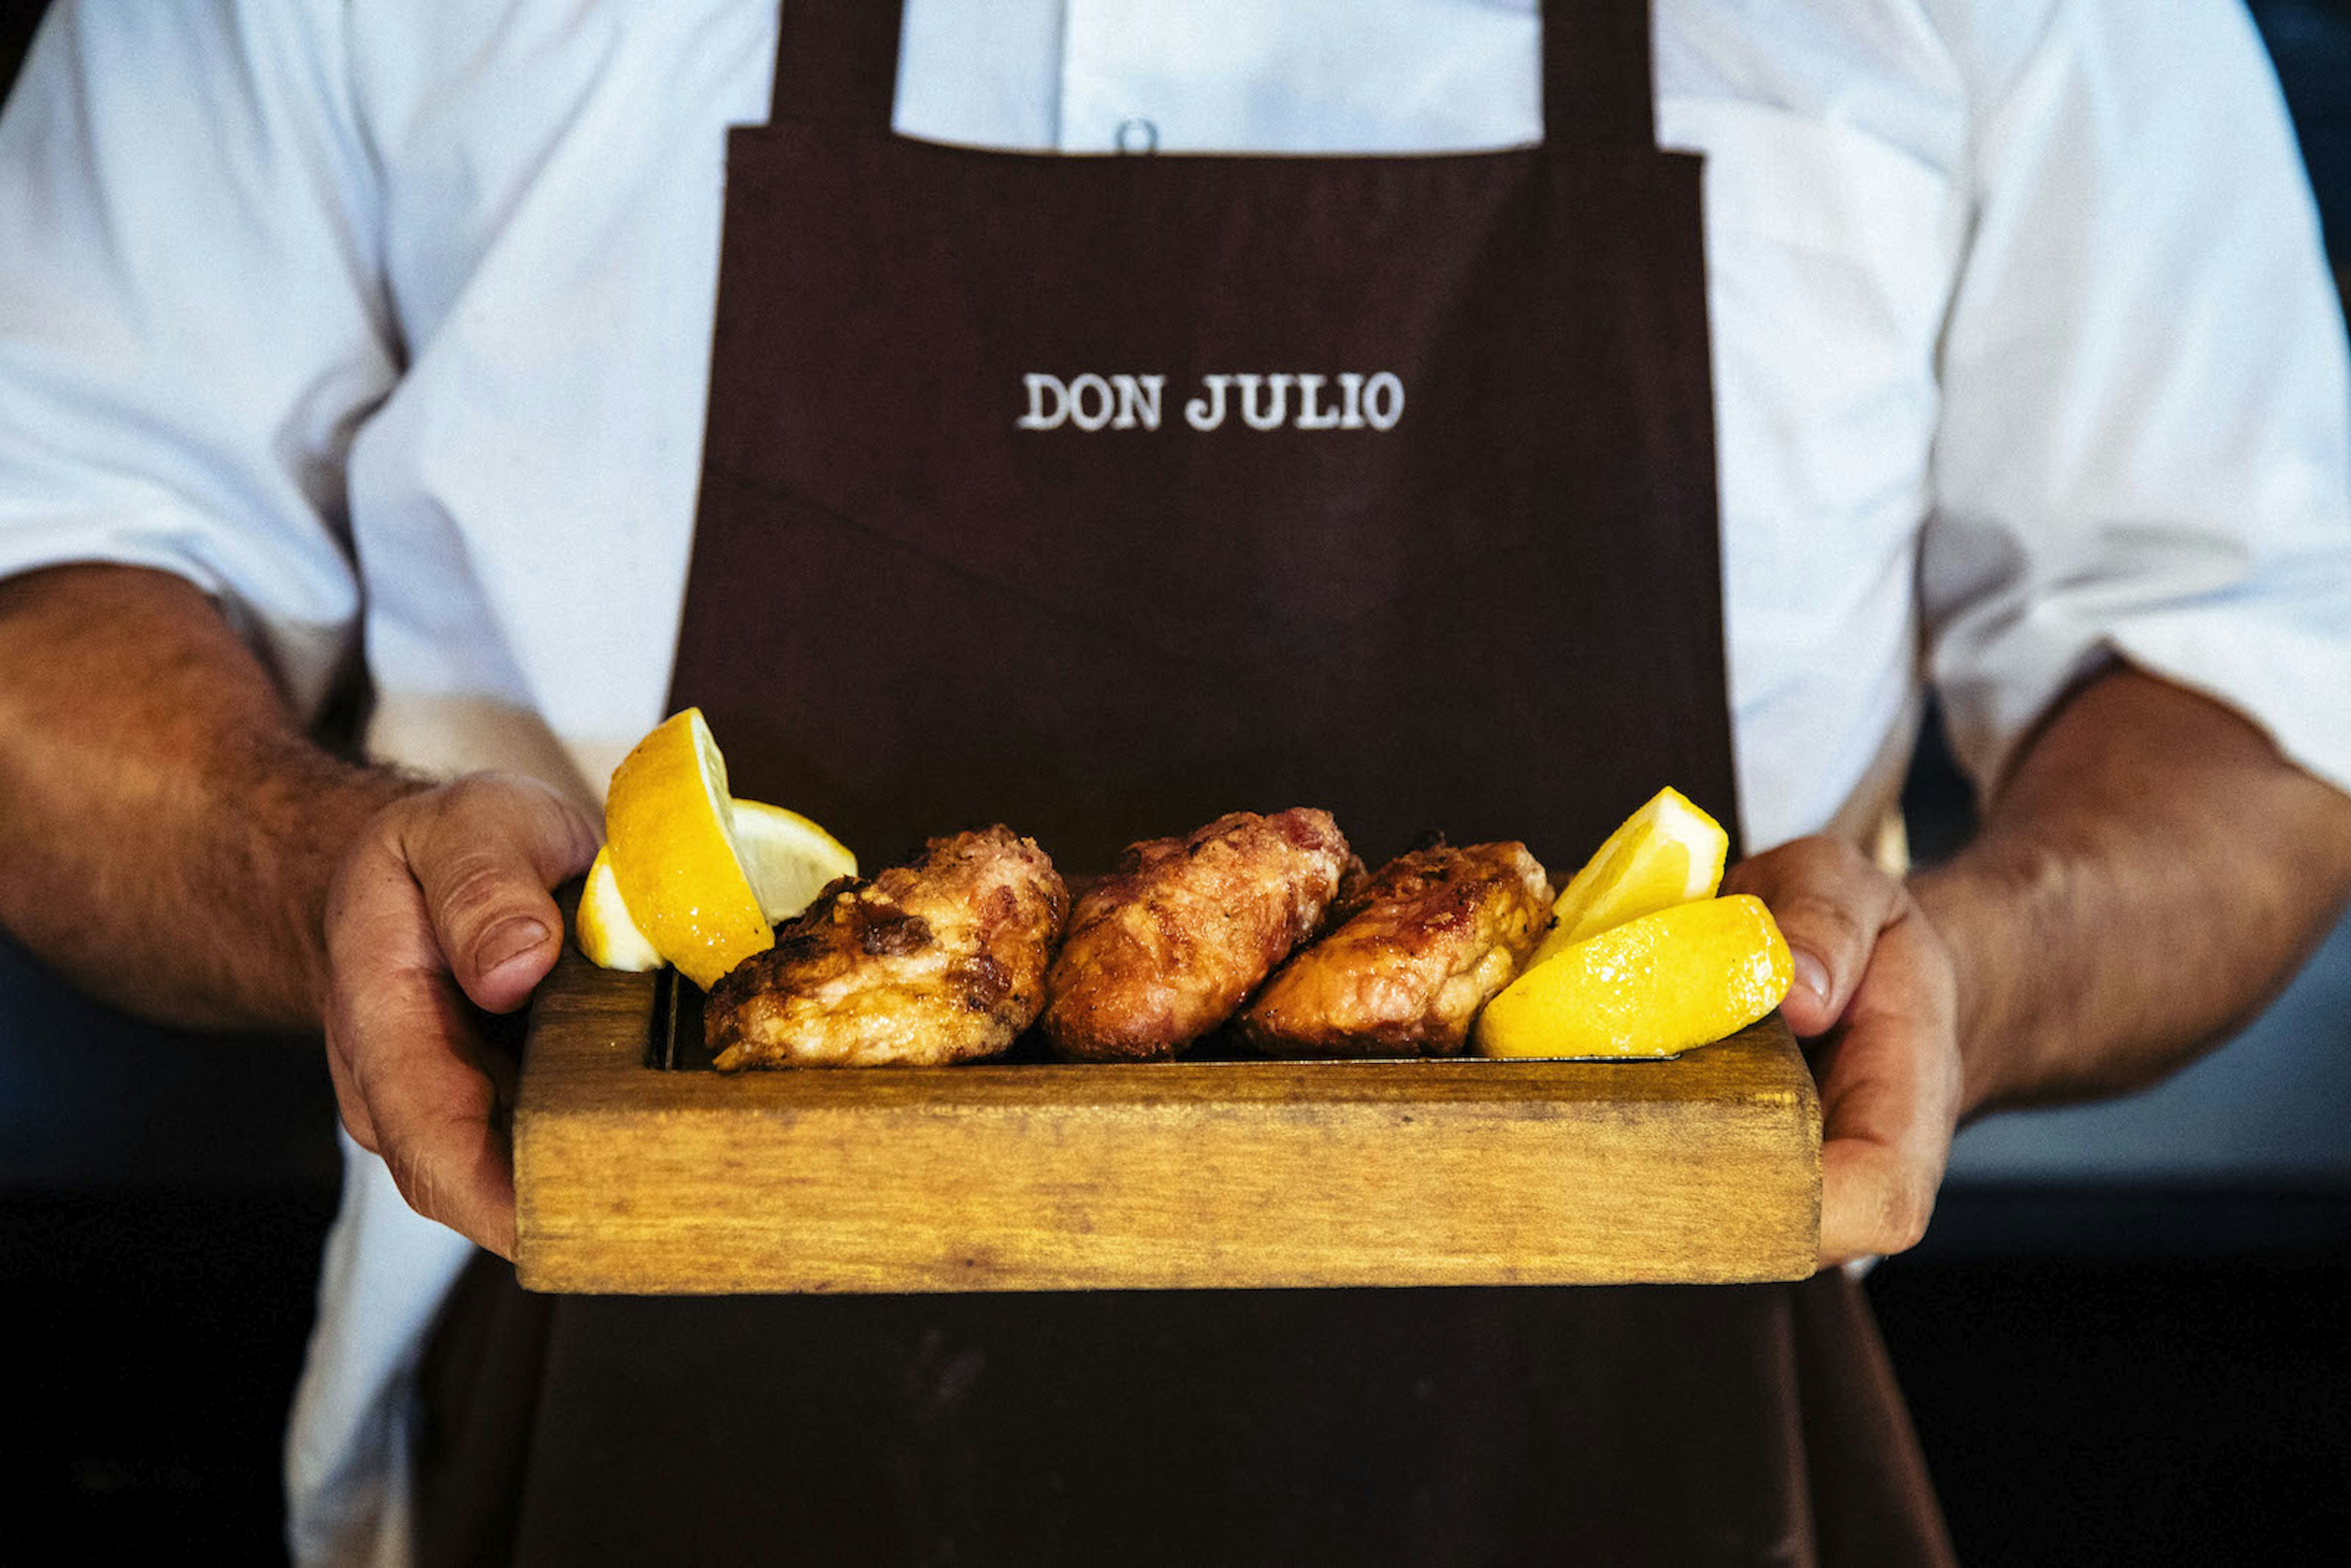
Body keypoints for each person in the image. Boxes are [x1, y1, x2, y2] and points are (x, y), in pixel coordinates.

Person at [4, 0, 2350, 1561]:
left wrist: (1979, 954)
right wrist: (327, 863)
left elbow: (2262, 685)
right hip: (643, 1451)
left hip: (1652, 1463)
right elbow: (38, 593)